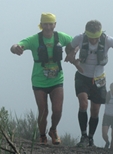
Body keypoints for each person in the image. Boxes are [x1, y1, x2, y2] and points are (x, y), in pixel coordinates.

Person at [10, 13, 75, 145]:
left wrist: (72, 53)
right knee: (43, 110)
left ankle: (53, 130)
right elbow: (17, 45)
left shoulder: (60, 37)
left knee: (57, 109)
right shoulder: (35, 39)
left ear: (55, 25)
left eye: (51, 24)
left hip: (57, 79)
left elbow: (74, 43)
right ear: (41, 25)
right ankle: (42, 135)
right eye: (45, 24)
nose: (48, 27)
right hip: (39, 80)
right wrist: (16, 48)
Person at [66, 20, 113, 147]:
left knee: (95, 110)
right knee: (83, 103)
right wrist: (71, 54)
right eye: (90, 38)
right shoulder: (79, 38)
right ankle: (84, 136)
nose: (93, 41)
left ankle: (91, 138)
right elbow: (69, 47)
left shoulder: (108, 40)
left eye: (95, 37)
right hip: (82, 76)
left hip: (99, 79)